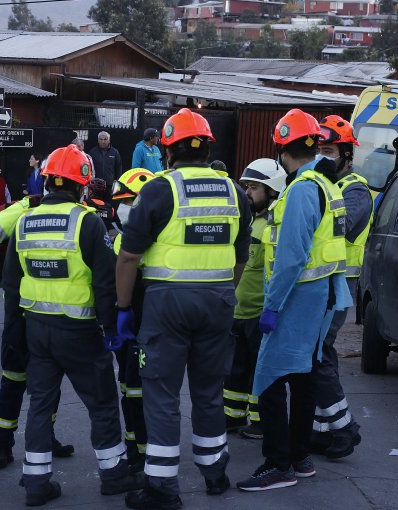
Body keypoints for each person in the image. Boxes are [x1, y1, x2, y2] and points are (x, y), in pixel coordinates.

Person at [117, 108, 252, 509]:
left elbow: (128, 257)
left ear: (168, 151)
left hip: (167, 304)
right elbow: (240, 258)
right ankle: (215, 472)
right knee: (209, 390)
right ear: (208, 147)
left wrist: (124, 308)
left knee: (160, 394)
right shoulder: (235, 192)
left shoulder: (160, 190)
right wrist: (224, 290)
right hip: (219, 301)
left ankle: (161, 487)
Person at [4, 144, 143, 506]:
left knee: (40, 406)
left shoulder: (23, 222)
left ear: (48, 180)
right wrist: (111, 329)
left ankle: (36, 482)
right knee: (101, 402)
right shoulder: (86, 222)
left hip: (37, 329)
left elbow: (10, 282)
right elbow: (104, 283)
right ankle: (113, 474)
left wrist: (14, 331)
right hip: (79, 332)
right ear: (82, 185)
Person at [237, 109, 352, 492]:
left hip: (297, 300)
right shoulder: (327, 184)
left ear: (281, 148)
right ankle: (300, 458)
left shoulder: (302, 190)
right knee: (302, 380)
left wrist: (271, 307)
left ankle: (278, 464)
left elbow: (291, 258)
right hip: (323, 298)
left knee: (268, 380)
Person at [0, 196, 75, 470]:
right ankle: (3, 445)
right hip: (24, 314)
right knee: (16, 379)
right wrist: (0, 279)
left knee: (48, 383)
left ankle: (45, 438)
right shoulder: (26, 209)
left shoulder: (64, 213)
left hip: (45, 313)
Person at [308, 115, 372, 459]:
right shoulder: (327, 185)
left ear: (346, 153)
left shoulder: (355, 189)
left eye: (330, 150)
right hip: (322, 281)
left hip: (337, 284)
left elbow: (339, 228)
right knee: (320, 354)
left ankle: (345, 428)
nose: (323, 156)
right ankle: (322, 431)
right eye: (319, 149)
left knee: (319, 354)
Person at [222, 158, 287, 441]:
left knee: (259, 371)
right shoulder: (247, 221)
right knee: (236, 368)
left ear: (272, 190)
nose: (247, 192)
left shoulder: (274, 224)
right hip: (238, 310)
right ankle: (232, 416)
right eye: (246, 186)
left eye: (253, 188)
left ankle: (261, 422)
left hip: (259, 313)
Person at [109, 168, 157, 473]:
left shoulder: (149, 243)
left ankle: (142, 451)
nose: (121, 207)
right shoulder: (121, 239)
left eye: (128, 200)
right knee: (128, 389)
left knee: (140, 391)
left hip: (146, 331)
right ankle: (133, 446)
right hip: (128, 332)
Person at [89, 131, 124, 197]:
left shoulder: (115, 152)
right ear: (98, 140)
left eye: (105, 139)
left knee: (110, 205)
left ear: (109, 140)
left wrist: (117, 184)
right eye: (101, 139)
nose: (103, 141)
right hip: (96, 186)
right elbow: (89, 169)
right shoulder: (92, 152)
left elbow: (118, 169)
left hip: (110, 186)